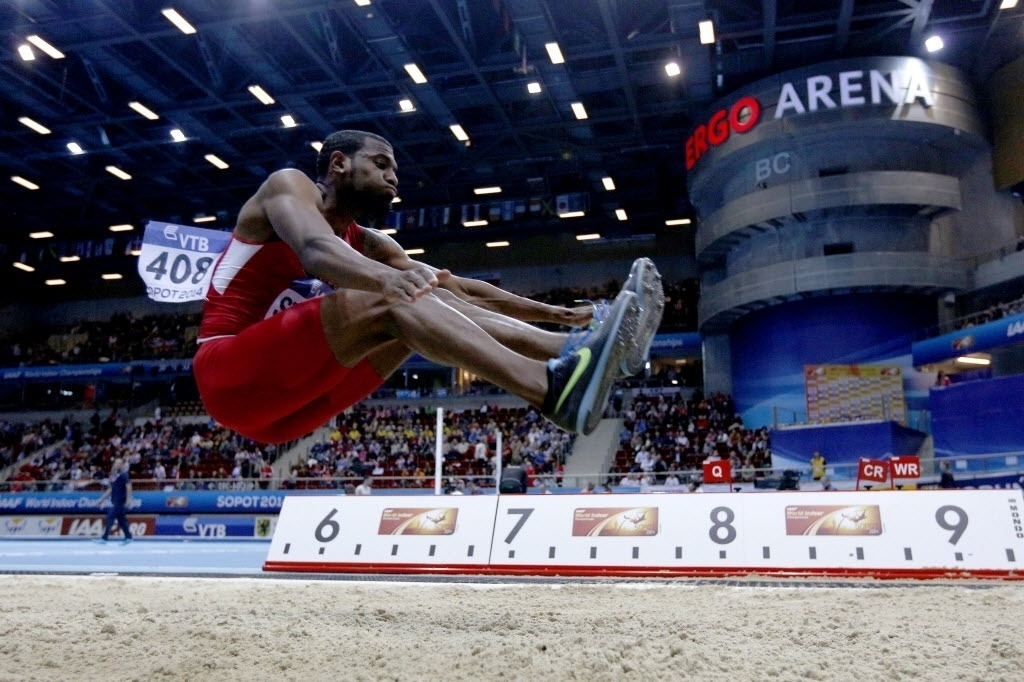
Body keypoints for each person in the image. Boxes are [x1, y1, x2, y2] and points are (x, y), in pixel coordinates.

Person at [193, 129, 663, 444]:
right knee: (393, 295)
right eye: (380, 164)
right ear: (338, 163)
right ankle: (551, 385)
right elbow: (316, 249)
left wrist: (560, 314)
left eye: (393, 169)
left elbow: (459, 291)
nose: (393, 176)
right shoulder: (289, 187)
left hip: (287, 412)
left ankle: (575, 345)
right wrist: (391, 279)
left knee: (422, 297)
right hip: (226, 375)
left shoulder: (371, 242)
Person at [94, 458, 133, 544]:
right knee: (121, 520)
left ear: (122, 465)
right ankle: (128, 537)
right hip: (115, 500)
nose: (116, 464)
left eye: (118, 463)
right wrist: (101, 499)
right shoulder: (114, 476)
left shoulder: (124, 475)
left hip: (120, 501)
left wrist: (128, 500)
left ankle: (104, 538)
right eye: (115, 462)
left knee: (110, 518)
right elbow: (110, 489)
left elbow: (128, 486)